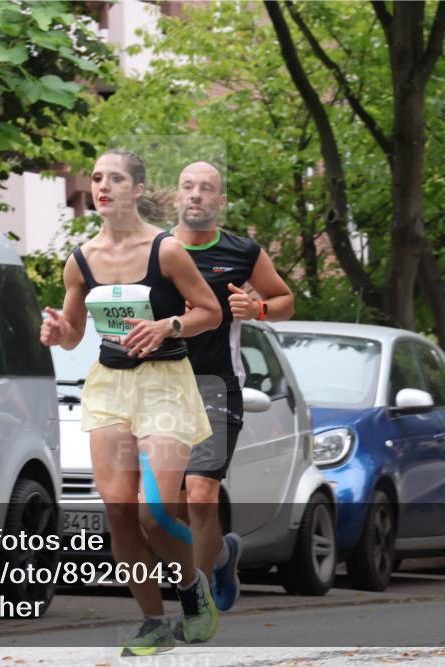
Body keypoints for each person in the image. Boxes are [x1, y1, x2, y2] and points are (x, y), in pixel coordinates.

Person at [39, 149, 223, 657]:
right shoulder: (80, 259)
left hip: (165, 383)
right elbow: (75, 333)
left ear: (137, 189)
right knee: (120, 512)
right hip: (110, 387)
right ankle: (151, 621)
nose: (103, 186)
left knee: (153, 511)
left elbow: (211, 311)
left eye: (115, 178)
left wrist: (170, 325)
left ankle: (192, 590)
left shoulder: (166, 252)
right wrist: (57, 331)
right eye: (97, 178)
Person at [172, 161, 295, 621]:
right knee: (165, 507)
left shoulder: (243, 252)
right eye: (188, 187)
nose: (197, 195)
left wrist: (257, 306)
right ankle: (222, 556)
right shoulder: (154, 250)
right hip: (159, 388)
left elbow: (284, 301)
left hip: (216, 385)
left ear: (220, 202)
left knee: (201, 494)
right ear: (177, 197)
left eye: (207, 189)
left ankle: (196, 605)